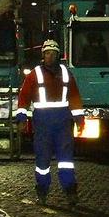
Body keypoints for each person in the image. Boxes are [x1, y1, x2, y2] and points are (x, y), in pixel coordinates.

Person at [16, 39, 84, 206]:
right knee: (42, 160)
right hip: (43, 123)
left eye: (53, 53)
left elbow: (74, 96)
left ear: (58, 55)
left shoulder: (66, 73)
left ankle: (70, 191)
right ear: (43, 55)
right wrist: (21, 118)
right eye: (47, 53)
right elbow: (24, 96)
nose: (50, 57)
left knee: (66, 160)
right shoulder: (34, 74)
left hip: (62, 122)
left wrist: (79, 118)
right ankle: (42, 191)